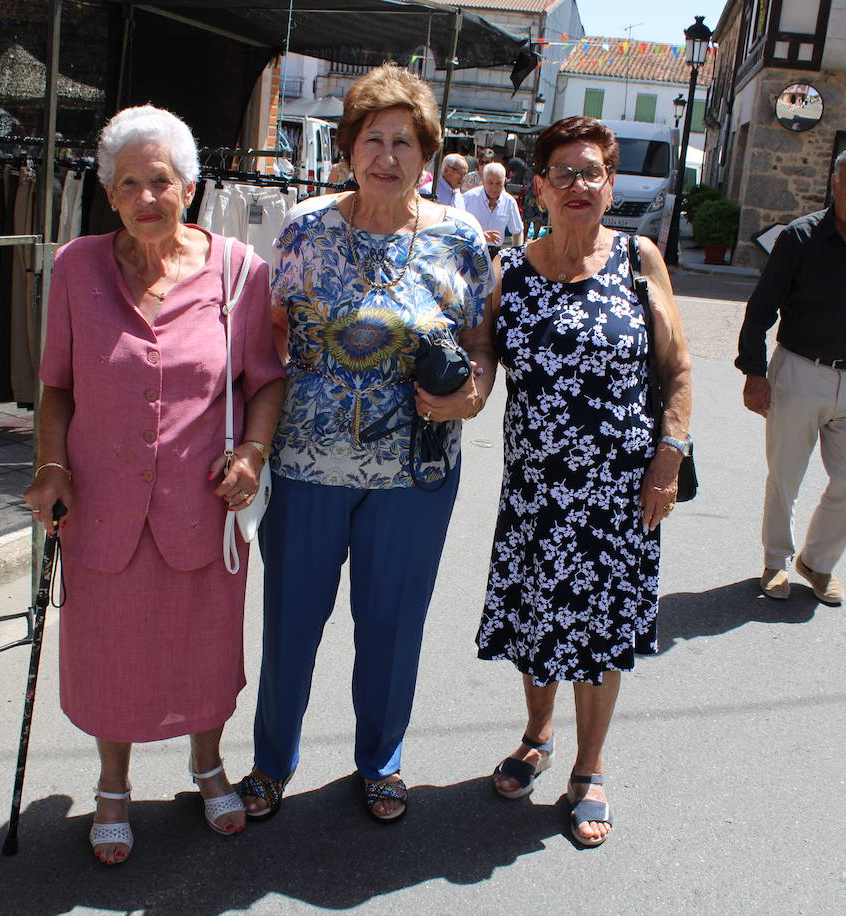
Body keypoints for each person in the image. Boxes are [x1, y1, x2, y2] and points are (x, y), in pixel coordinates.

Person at [23, 104, 286, 865]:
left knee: (202, 648)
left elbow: (264, 382)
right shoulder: (75, 266)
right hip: (102, 505)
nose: (145, 198)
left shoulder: (240, 273)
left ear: (192, 186)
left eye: (160, 181)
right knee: (111, 652)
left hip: (200, 505)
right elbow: (56, 389)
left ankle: (208, 766)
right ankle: (113, 785)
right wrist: (50, 467)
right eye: (128, 183)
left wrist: (251, 455)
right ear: (108, 193)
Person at [237, 63, 494, 825]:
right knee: (291, 621)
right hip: (307, 466)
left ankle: (381, 761)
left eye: (405, 142)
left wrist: (471, 395)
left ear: (427, 153)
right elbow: (270, 337)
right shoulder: (305, 228)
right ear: (349, 148)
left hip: (414, 471)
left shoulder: (462, 238)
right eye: (374, 139)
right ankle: (271, 762)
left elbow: (480, 340)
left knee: (391, 626)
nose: (388, 155)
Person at [476, 116, 692, 848]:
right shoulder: (511, 274)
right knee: (538, 626)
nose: (578, 185)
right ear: (538, 186)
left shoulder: (639, 260)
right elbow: (480, 365)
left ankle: (588, 767)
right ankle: (536, 735)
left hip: (618, 496)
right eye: (563, 172)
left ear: (609, 185)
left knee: (599, 638)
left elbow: (678, 370)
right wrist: (452, 392)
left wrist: (668, 459)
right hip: (537, 496)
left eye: (592, 172)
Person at [735, 145, 846, 606]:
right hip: (801, 372)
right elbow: (762, 307)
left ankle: (818, 561)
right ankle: (776, 562)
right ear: (834, 184)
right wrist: (753, 370)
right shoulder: (801, 238)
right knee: (785, 477)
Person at [462, 162, 524, 259]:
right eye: (490, 183)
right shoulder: (467, 199)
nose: (494, 188)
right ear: (483, 180)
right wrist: (478, 236)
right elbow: (456, 227)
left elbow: (517, 231)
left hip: (495, 254)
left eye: (499, 183)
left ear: (505, 181)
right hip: (469, 251)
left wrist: (516, 255)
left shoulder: (509, 202)